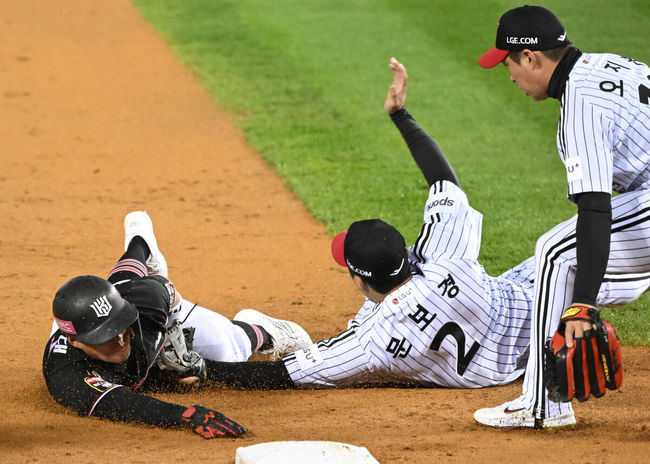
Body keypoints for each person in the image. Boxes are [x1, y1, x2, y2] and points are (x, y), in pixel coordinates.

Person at [192, 58, 649, 395]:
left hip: (491, 373)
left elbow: (283, 376)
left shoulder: (371, 343)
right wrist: (401, 115)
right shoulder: (446, 260)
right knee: (566, 260)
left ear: (357, 277)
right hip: (534, 318)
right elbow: (444, 179)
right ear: (409, 253)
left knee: (558, 253)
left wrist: (205, 373)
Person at [475, 5, 650, 428]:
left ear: (531, 58)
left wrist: (583, 304)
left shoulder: (581, 107)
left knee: (555, 251)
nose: (509, 75)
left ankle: (543, 405)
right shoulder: (611, 64)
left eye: (509, 63)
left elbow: (595, 208)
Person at [43, 211, 312, 438]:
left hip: (147, 300)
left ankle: (261, 329)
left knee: (226, 350)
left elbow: (162, 291)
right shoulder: (66, 373)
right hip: (109, 316)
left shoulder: (142, 307)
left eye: (120, 326)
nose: (120, 339)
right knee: (120, 287)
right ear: (74, 340)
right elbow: (121, 403)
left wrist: (173, 330)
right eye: (106, 335)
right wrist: (185, 415)